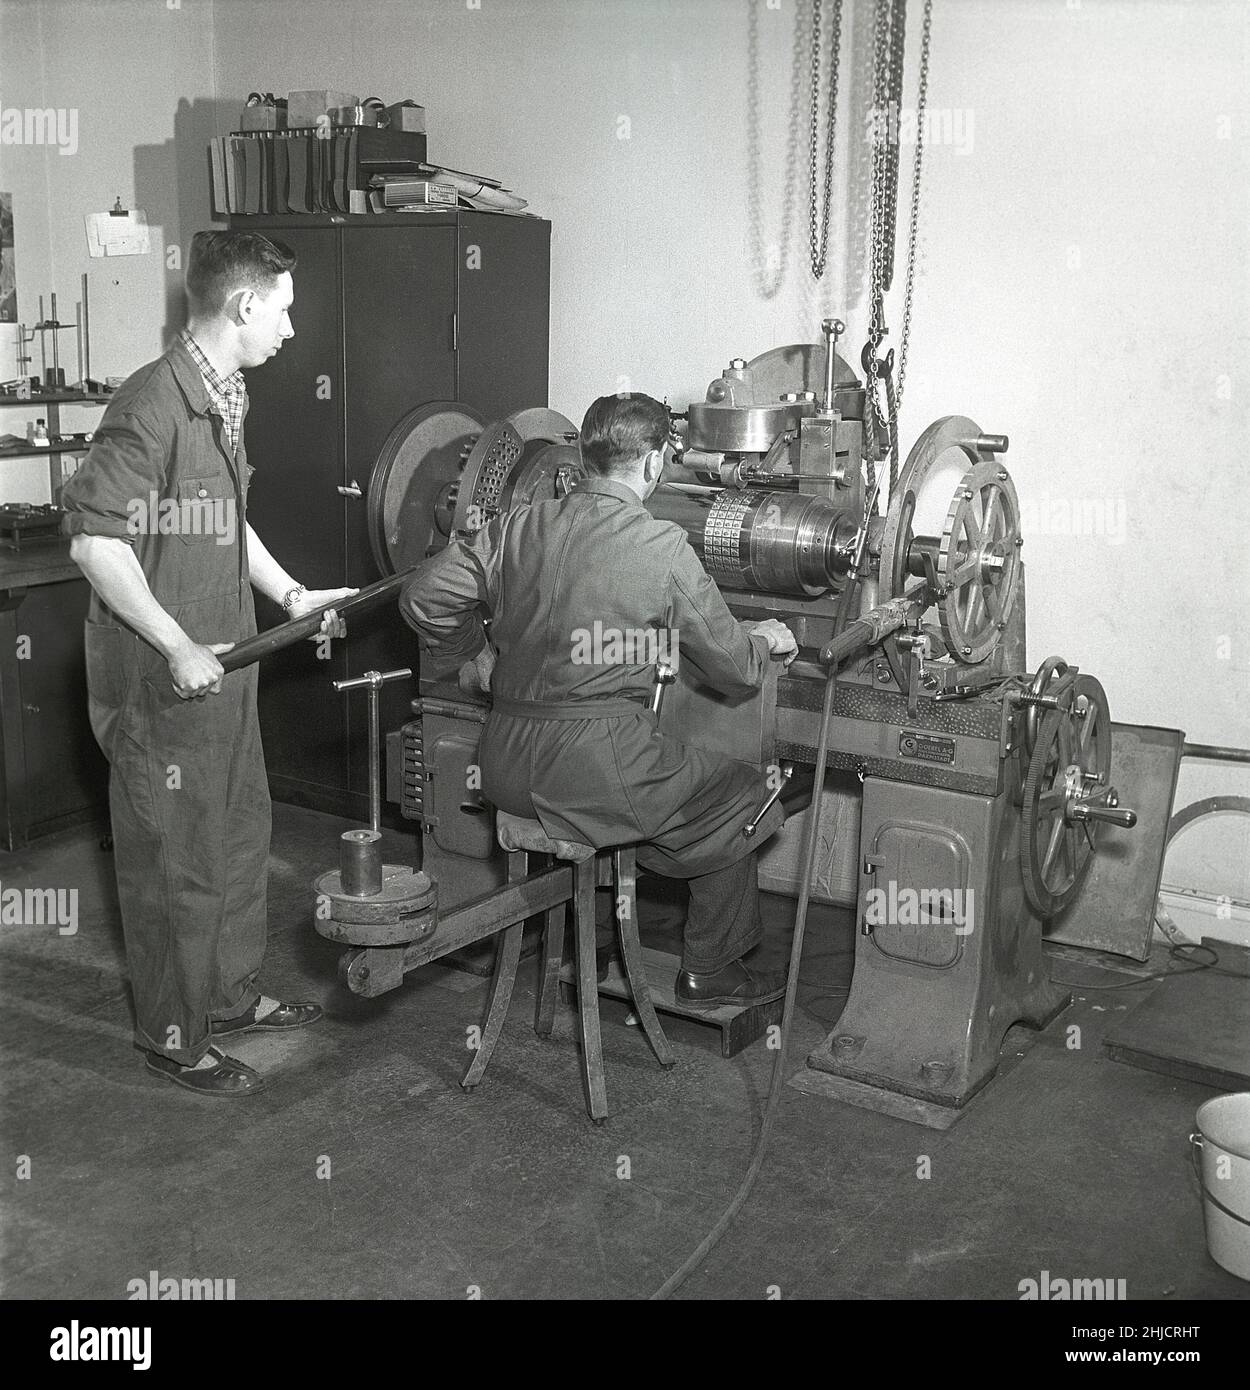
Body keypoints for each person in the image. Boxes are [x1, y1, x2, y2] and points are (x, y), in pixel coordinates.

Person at [61, 230, 356, 1097]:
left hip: (226, 670)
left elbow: (225, 524)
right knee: (174, 862)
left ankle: (227, 999)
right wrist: (176, 643)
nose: (292, 331)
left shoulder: (222, 393)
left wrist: (293, 596)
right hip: (163, 685)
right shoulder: (152, 406)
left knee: (235, 838)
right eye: (286, 311)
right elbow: (93, 543)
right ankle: (174, 1037)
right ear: (244, 306)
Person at [399, 392, 798, 1007]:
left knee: (657, 787)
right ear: (653, 464)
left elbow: (423, 598)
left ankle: (611, 940)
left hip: (501, 765)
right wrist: (765, 639)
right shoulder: (661, 546)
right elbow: (737, 673)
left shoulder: (514, 526)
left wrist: (473, 658)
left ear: (583, 456)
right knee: (748, 790)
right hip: (596, 768)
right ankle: (710, 969)